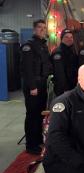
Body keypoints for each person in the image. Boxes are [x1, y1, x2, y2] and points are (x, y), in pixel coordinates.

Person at [20, 19, 52, 155]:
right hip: (33, 85)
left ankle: (37, 139)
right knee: (32, 115)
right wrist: (32, 87)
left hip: (42, 84)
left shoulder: (43, 45)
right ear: (34, 29)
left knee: (39, 114)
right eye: (40, 27)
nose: (42, 30)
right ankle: (30, 144)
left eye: (44, 28)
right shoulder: (29, 46)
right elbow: (26, 68)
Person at [51, 28, 78, 96]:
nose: (69, 39)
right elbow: (59, 73)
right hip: (63, 90)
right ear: (61, 38)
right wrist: (64, 89)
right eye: (66, 37)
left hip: (72, 87)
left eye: (71, 37)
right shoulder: (58, 53)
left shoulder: (73, 51)